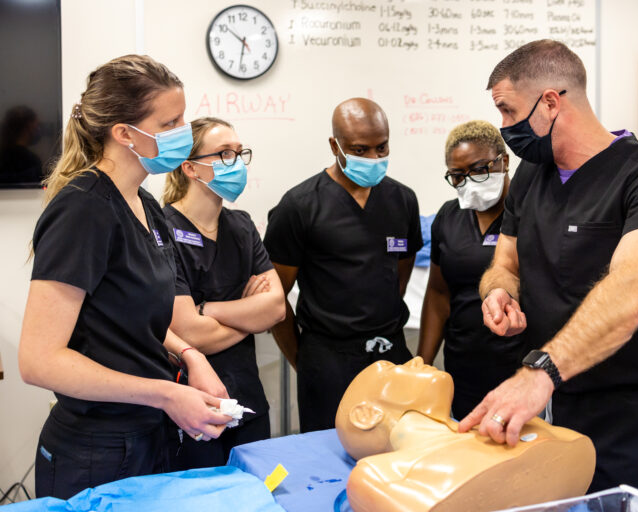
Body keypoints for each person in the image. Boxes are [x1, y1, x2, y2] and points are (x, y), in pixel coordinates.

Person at [457, 39, 638, 496]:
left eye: (508, 111)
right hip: (550, 401)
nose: (504, 127)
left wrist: (539, 373)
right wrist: (498, 291)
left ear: (550, 102)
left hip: (624, 411)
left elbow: (631, 291)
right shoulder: (531, 175)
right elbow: (504, 261)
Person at [17, 55, 232, 499]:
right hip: (95, 451)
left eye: (182, 119)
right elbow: (38, 361)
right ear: (123, 133)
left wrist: (192, 356)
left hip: (147, 435)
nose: (182, 135)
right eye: (170, 123)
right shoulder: (84, 209)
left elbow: (134, 319)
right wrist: (167, 395)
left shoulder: (145, 204)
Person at [264, 98, 423, 433]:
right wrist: (306, 360)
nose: (374, 159)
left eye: (382, 148)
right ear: (335, 145)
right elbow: (275, 302)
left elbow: (398, 278)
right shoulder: (300, 206)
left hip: (390, 352)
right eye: (360, 150)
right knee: (327, 455)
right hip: (328, 359)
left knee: (397, 449)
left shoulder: (402, 200)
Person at [162, 116, 285, 468]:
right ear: (190, 168)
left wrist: (208, 309)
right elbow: (188, 333)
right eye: (223, 154)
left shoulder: (242, 226)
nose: (237, 163)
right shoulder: (163, 230)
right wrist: (249, 311)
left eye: (239, 153)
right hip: (192, 405)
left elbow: (276, 308)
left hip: (247, 398)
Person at [336, 357, 596, 511]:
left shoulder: (504, 426)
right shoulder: (379, 475)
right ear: (366, 415)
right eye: (393, 367)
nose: (415, 359)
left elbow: (575, 448)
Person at [417, 120, 523, 420]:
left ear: (503, 161)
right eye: (458, 176)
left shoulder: (530, 212)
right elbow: (438, 294)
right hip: (464, 366)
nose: (469, 181)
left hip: (521, 369)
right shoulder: (449, 219)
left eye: (479, 169)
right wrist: (422, 363)